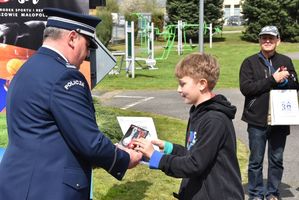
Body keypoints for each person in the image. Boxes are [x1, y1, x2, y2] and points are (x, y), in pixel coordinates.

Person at [0, 8, 142, 200]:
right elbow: (89, 141)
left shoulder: (26, 69)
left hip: (17, 184)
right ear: (73, 38)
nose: (86, 55)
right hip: (50, 189)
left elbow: (48, 131)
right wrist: (124, 159)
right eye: (88, 45)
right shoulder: (64, 76)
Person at [133, 52, 244, 199]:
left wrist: (156, 157)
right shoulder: (198, 112)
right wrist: (170, 148)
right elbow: (196, 153)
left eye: (182, 84)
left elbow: (195, 164)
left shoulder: (214, 120)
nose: (178, 89)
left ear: (202, 84)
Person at [239, 26, 299, 200]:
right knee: (255, 161)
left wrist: (284, 82)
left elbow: (296, 85)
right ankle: (256, 194)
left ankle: (273, 192)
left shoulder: (286, 60)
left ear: (278, 41)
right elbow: (247, 88)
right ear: (259, 40)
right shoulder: (249, 62)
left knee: (277, 159)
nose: (267, 41)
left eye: (271, 38)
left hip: (280, 119)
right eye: (264, 38)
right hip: (257, 119)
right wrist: (272, 79)